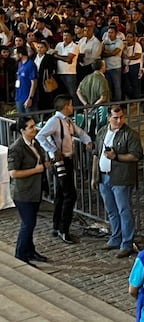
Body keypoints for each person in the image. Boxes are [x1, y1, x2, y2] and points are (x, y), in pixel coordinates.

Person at [36, 95, 93, 243]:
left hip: (67, 160)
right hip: (60, 162)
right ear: (66, 106)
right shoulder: (55, 121)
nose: (73, 107)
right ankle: (64, 229)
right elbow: (40, 136)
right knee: (70, 195)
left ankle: (57, 225)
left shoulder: (66, 122)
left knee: (61, 194)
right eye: (71, 105)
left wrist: (88, 141)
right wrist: (53, 150)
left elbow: (79, 132)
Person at [90, 103, 143, 258]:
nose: (119, 121)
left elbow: (135, 155)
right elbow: (96, 154)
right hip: (104, 177)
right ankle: (116, 237)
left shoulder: (130, 134)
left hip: (121, 178)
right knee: (112, 210)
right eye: (115, 118)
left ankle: (127, 242)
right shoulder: (101, 132)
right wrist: (94, 176)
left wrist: (117, 157)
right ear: (108, 117)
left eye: (121, 117)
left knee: (123, 210)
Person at [8, 116, 49, 265]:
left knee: (31, 223)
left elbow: (38, 161)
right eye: (31, 127)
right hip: (23, 193)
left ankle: (30, 250)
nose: (35, 129)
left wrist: (44, 165)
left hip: (35, 190)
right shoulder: (16, 148)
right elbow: (13, 173)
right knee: (28, 223)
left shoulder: (35, 142)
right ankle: (20, 253)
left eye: (34, 126)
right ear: (22, 130)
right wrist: (36, 169)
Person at [14, 46, 37, 114]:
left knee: (30, 120)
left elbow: (34, 83)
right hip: (19, 96)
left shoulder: (30, 65)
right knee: (22, 120)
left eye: (15, 54)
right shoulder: (20, 63)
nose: (14, 56)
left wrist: (30, 98)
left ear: (20, 54)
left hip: (27, 97)